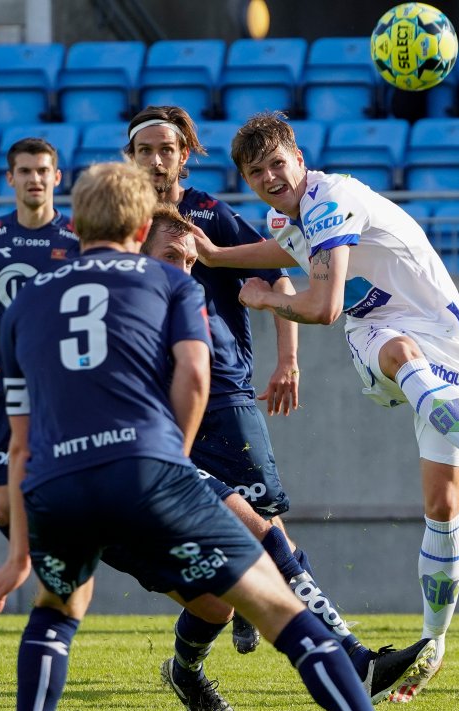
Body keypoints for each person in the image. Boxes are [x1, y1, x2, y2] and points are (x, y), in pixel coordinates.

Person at [0, 162, 459, 711]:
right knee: (281, 608)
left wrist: (17, 556)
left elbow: (20, 441)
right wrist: (170, 461)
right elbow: (195, 379)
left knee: (56, 613)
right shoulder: (169, 281)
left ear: (74, 224)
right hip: (147, 471)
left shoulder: (24, 302)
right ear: (140, 227)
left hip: (58, 484)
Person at [191, 112, 459, 702]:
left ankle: (431, 646)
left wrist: (262, 298)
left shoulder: (333, 199)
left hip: (448, 337)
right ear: (247, 180)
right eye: (256, 173)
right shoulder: (287, 216)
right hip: (379, 332)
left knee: (443, 506)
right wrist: (217, 258)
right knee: (399, 351)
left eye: (277, 163)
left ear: (299, 158)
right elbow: (285, 251)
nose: (271, 178)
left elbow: (323, 306)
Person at [135, 205, 435, 711]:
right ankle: (353, 664)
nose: (185, 271)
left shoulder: (192, 274)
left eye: (190, 261)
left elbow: (275, 272)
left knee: (227, 592)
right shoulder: (114, 312)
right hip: (122, 483)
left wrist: (282, 350)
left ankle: (188, 672)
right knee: (258, 548)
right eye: (171, 258)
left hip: (181, 452)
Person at [123, 104, 295, 656]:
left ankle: (321, 639)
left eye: (166, 150)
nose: (156, 160)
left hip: (221, 394)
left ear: (184, 157)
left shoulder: (208, 215)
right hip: (153, 403)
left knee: (263, 522)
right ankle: (217, 631)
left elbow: (278, 277)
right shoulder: (119, 224)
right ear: (130, 157)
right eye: (145, 150)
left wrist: (288, 360)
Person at [0, 137, 79, 539]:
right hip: (6, 385)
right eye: (25, 171)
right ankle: (46, 562)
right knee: (0, 505)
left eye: (43, 171)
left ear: (57, 177)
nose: (34, 179)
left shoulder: (79, 237)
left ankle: (51, 570)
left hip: (63, 386)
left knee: (61, 493)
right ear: (10, 178)